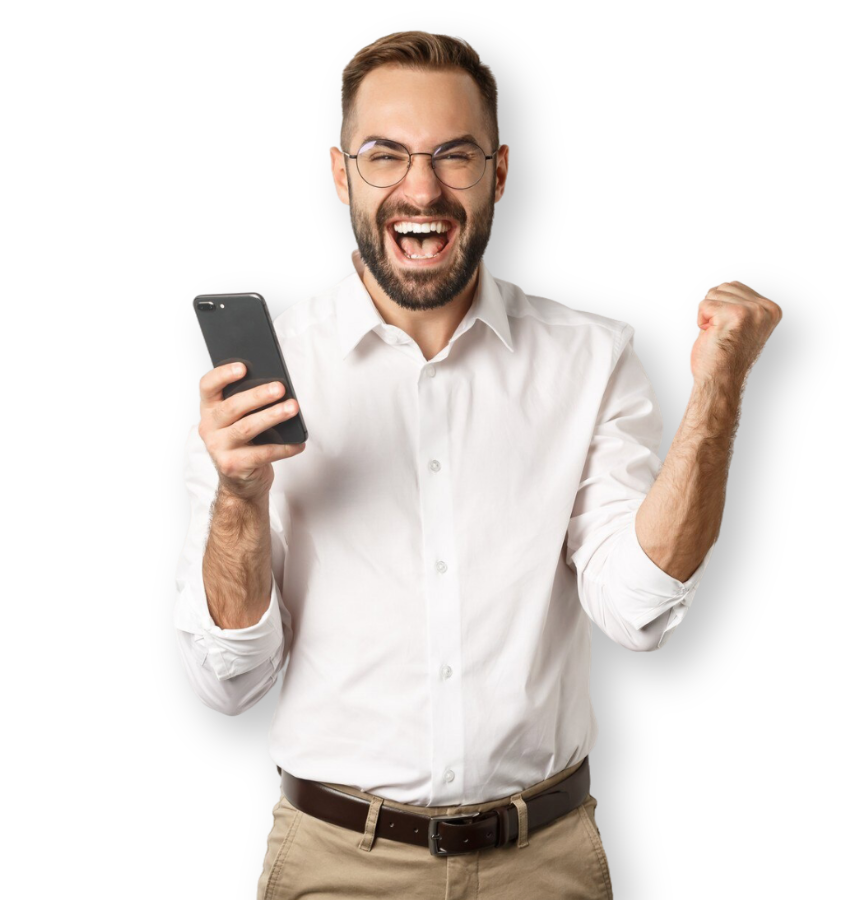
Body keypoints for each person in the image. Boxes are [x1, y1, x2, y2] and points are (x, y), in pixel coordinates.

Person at [172, 30, 783, 900]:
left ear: (498, 173)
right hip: (332, 866)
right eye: (386, 156)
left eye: (453, 156)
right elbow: (227, 685)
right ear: (342, 175)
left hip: (547, 865)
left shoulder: (594, 359)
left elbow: (641, 614)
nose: (421, 190)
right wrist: (239, 492)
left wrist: (719, 390)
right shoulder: (262, 380)